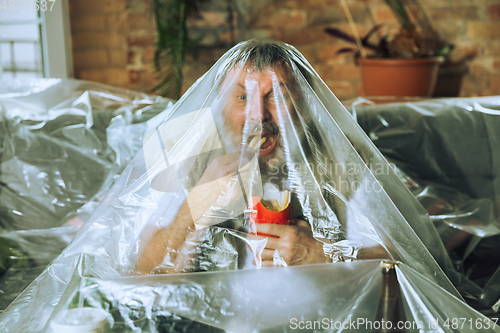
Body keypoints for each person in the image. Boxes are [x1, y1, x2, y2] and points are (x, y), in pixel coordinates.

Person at [136, 39, 387, 274]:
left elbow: (397, 261)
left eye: (277, 96)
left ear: (304, 103)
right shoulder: (193, 159)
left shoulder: (346, 160)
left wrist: (325, 256)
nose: (258, 116)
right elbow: (143, 271)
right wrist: (194, 207)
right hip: (218, 319)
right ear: (222, 104)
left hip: (321, 318)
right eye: (242, 97)